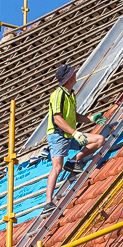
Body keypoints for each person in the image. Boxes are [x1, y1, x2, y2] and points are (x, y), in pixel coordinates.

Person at [43, 63, 105, 213]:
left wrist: (90, 119)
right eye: (73, 73)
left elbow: (74, 116)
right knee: (57, 167)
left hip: (70, 133)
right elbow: (57, 118)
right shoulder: (58, 94)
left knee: (99, 140)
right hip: (57, 134)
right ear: (69, 77)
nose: (75, 74)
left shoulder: (71, 94)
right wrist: (75, 133)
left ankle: (72, 161)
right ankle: (48, 202)